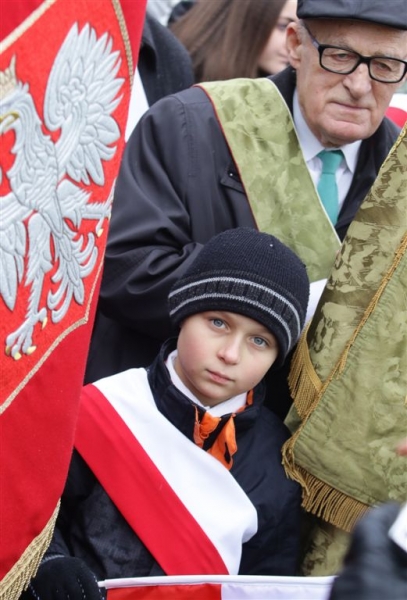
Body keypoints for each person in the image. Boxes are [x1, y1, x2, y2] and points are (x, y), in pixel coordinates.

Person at [85, 0, 406, 409]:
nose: (360, 85)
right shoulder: (190, 125)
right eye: (340, 57)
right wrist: (272, 300)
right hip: (163, 415)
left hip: (300, 436)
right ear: (295, 45)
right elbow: (123, 268)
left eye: (385, 65)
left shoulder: (398, 175)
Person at [21, 228, 310, 599]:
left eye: (259, 340)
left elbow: (263, 585)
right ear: (183, 314)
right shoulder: (101, 408)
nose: (230, 354)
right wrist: (48, 565)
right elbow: (27, 515)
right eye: (218, 323)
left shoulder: (278, 464)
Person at [169, 0, 297, 81]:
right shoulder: (177, 75)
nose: (293, 43)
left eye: (298, 31)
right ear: (244, 21)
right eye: (283, 26)